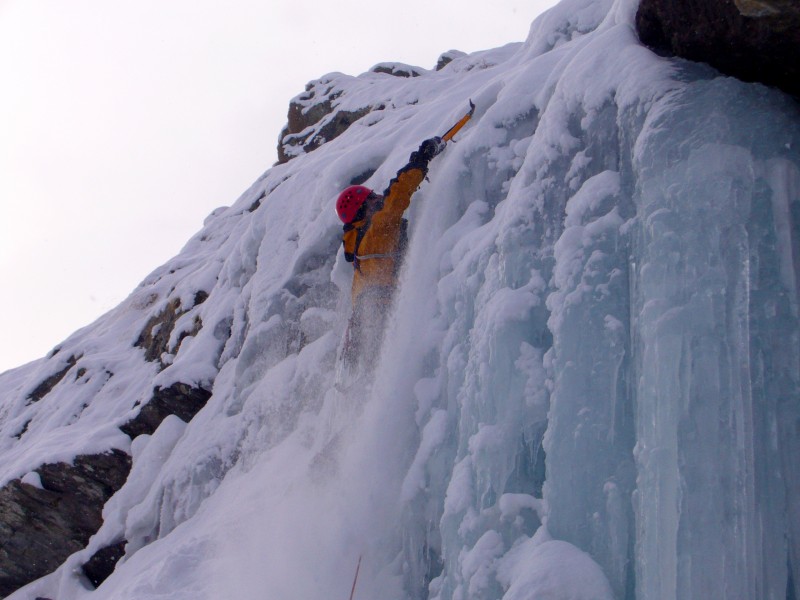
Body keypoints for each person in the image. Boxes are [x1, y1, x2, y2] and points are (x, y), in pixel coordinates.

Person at [335, 136, 446, 369]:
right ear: (362, 209)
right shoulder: (375, 232)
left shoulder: (359, 250)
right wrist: (421, 159)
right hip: (382, 311)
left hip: (367, 325)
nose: (377, 200)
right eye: (371, 199)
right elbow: (395, 198)